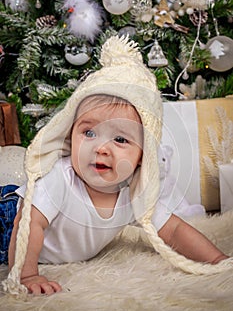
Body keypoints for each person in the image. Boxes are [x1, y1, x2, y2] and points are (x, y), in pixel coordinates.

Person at [3, 35, 231, 296]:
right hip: (8, 219)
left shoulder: (133, 193)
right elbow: (28, 222)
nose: (100, 148)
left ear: (142, 156)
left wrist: (218, 261)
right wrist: (27, 273)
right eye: (89, 133)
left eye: (120, 139)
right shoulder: (60, 178)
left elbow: (175, 230)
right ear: (70, 133)